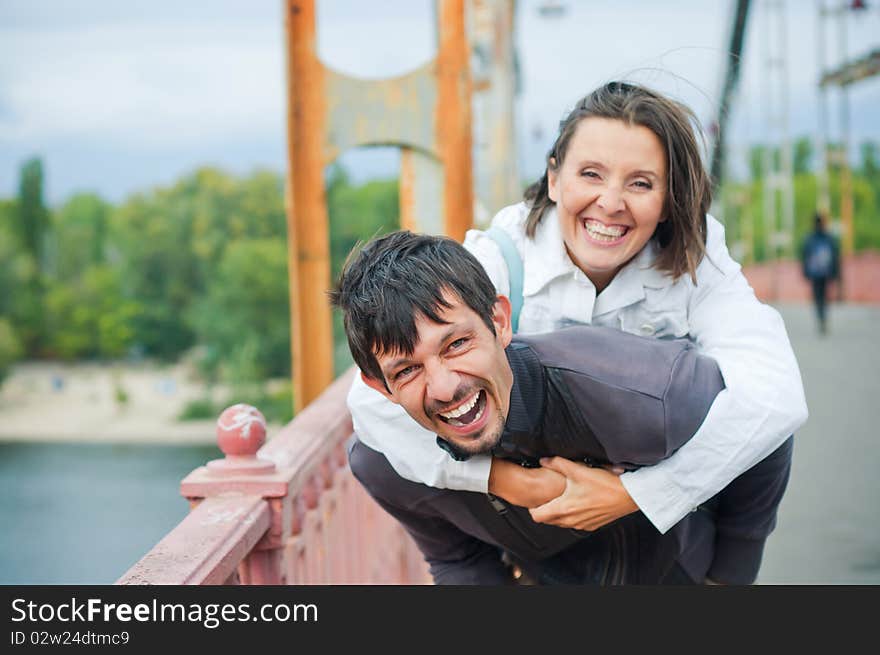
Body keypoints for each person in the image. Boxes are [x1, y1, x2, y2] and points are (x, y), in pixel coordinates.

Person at [347, 81, 807, 543]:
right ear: (553, 178)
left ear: (668, 200)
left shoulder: (697, 262)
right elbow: (370, 401)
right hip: (547, 503)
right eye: (591, 174)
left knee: (765, 433)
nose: (610, 203)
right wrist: (505, 482)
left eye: (640, 183)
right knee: (369, 458)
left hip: (661, 519)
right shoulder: (500, 260)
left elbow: (775, 396)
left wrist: (638, 494)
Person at [331, 231, 793, 584]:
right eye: (408, 371)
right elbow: (457, 559)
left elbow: (764, 428)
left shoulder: (638, 391)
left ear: (499, 321)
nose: (445, 387)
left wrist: (728, 576)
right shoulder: (385, 465)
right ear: (378, 386)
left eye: (457, 344)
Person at [801, 211, 841, 335]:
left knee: (818, 296)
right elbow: (835, 256)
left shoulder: (810, 238)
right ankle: (822, 317)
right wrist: (836, 272)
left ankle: (821, 317)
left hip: (815, 273)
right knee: (823, 296)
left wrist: (805, 272)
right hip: (825, 272)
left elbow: (805, 257)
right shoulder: (828, 238)